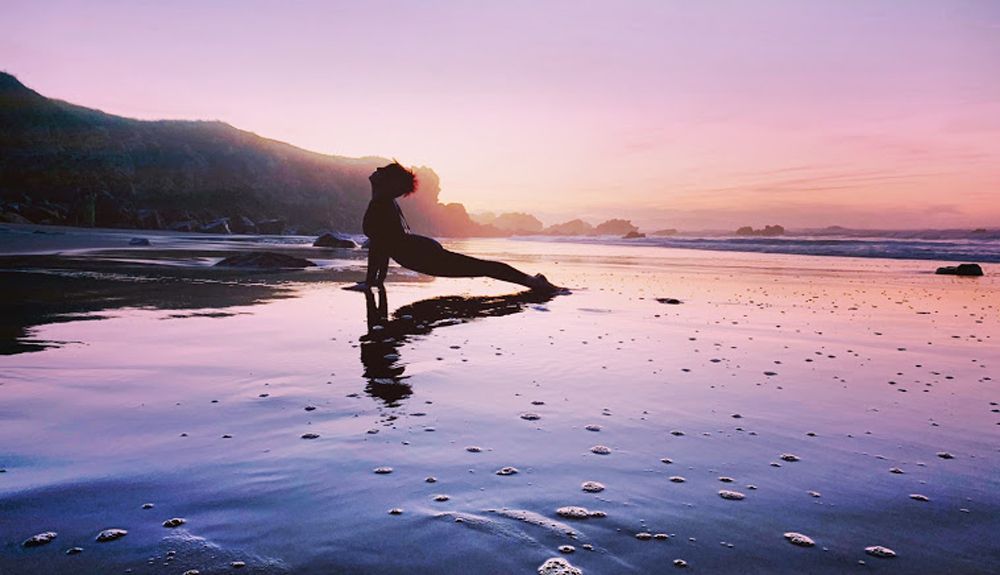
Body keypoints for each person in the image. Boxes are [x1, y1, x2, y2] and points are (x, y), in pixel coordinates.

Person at [345, 162, 564, 292]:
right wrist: (375, 283)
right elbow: (382, 246)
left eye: (383, 169)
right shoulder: (384, 204)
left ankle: (534, 282)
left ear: (390, 182)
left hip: (422, 255)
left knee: (481, 268)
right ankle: (532, 281)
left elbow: (380, 247)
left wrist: (370, 283)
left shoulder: (381, 206)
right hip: (419, 252)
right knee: (480, 267)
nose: (377, 168)